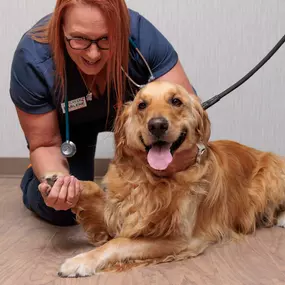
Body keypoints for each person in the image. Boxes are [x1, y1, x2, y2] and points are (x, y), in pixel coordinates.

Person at [9, 0, 198, 227]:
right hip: (71, 127)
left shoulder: (142, 38)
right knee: (67, 209)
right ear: (60, 28)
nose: (93, 54)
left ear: (121, 29)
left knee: (169, 182)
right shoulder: (33, 58)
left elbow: (186, 110)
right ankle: (33, 176)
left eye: (106, 39)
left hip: (131, 117)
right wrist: (55, 179)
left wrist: (188, 152)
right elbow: (45, 143)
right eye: (79, 39)